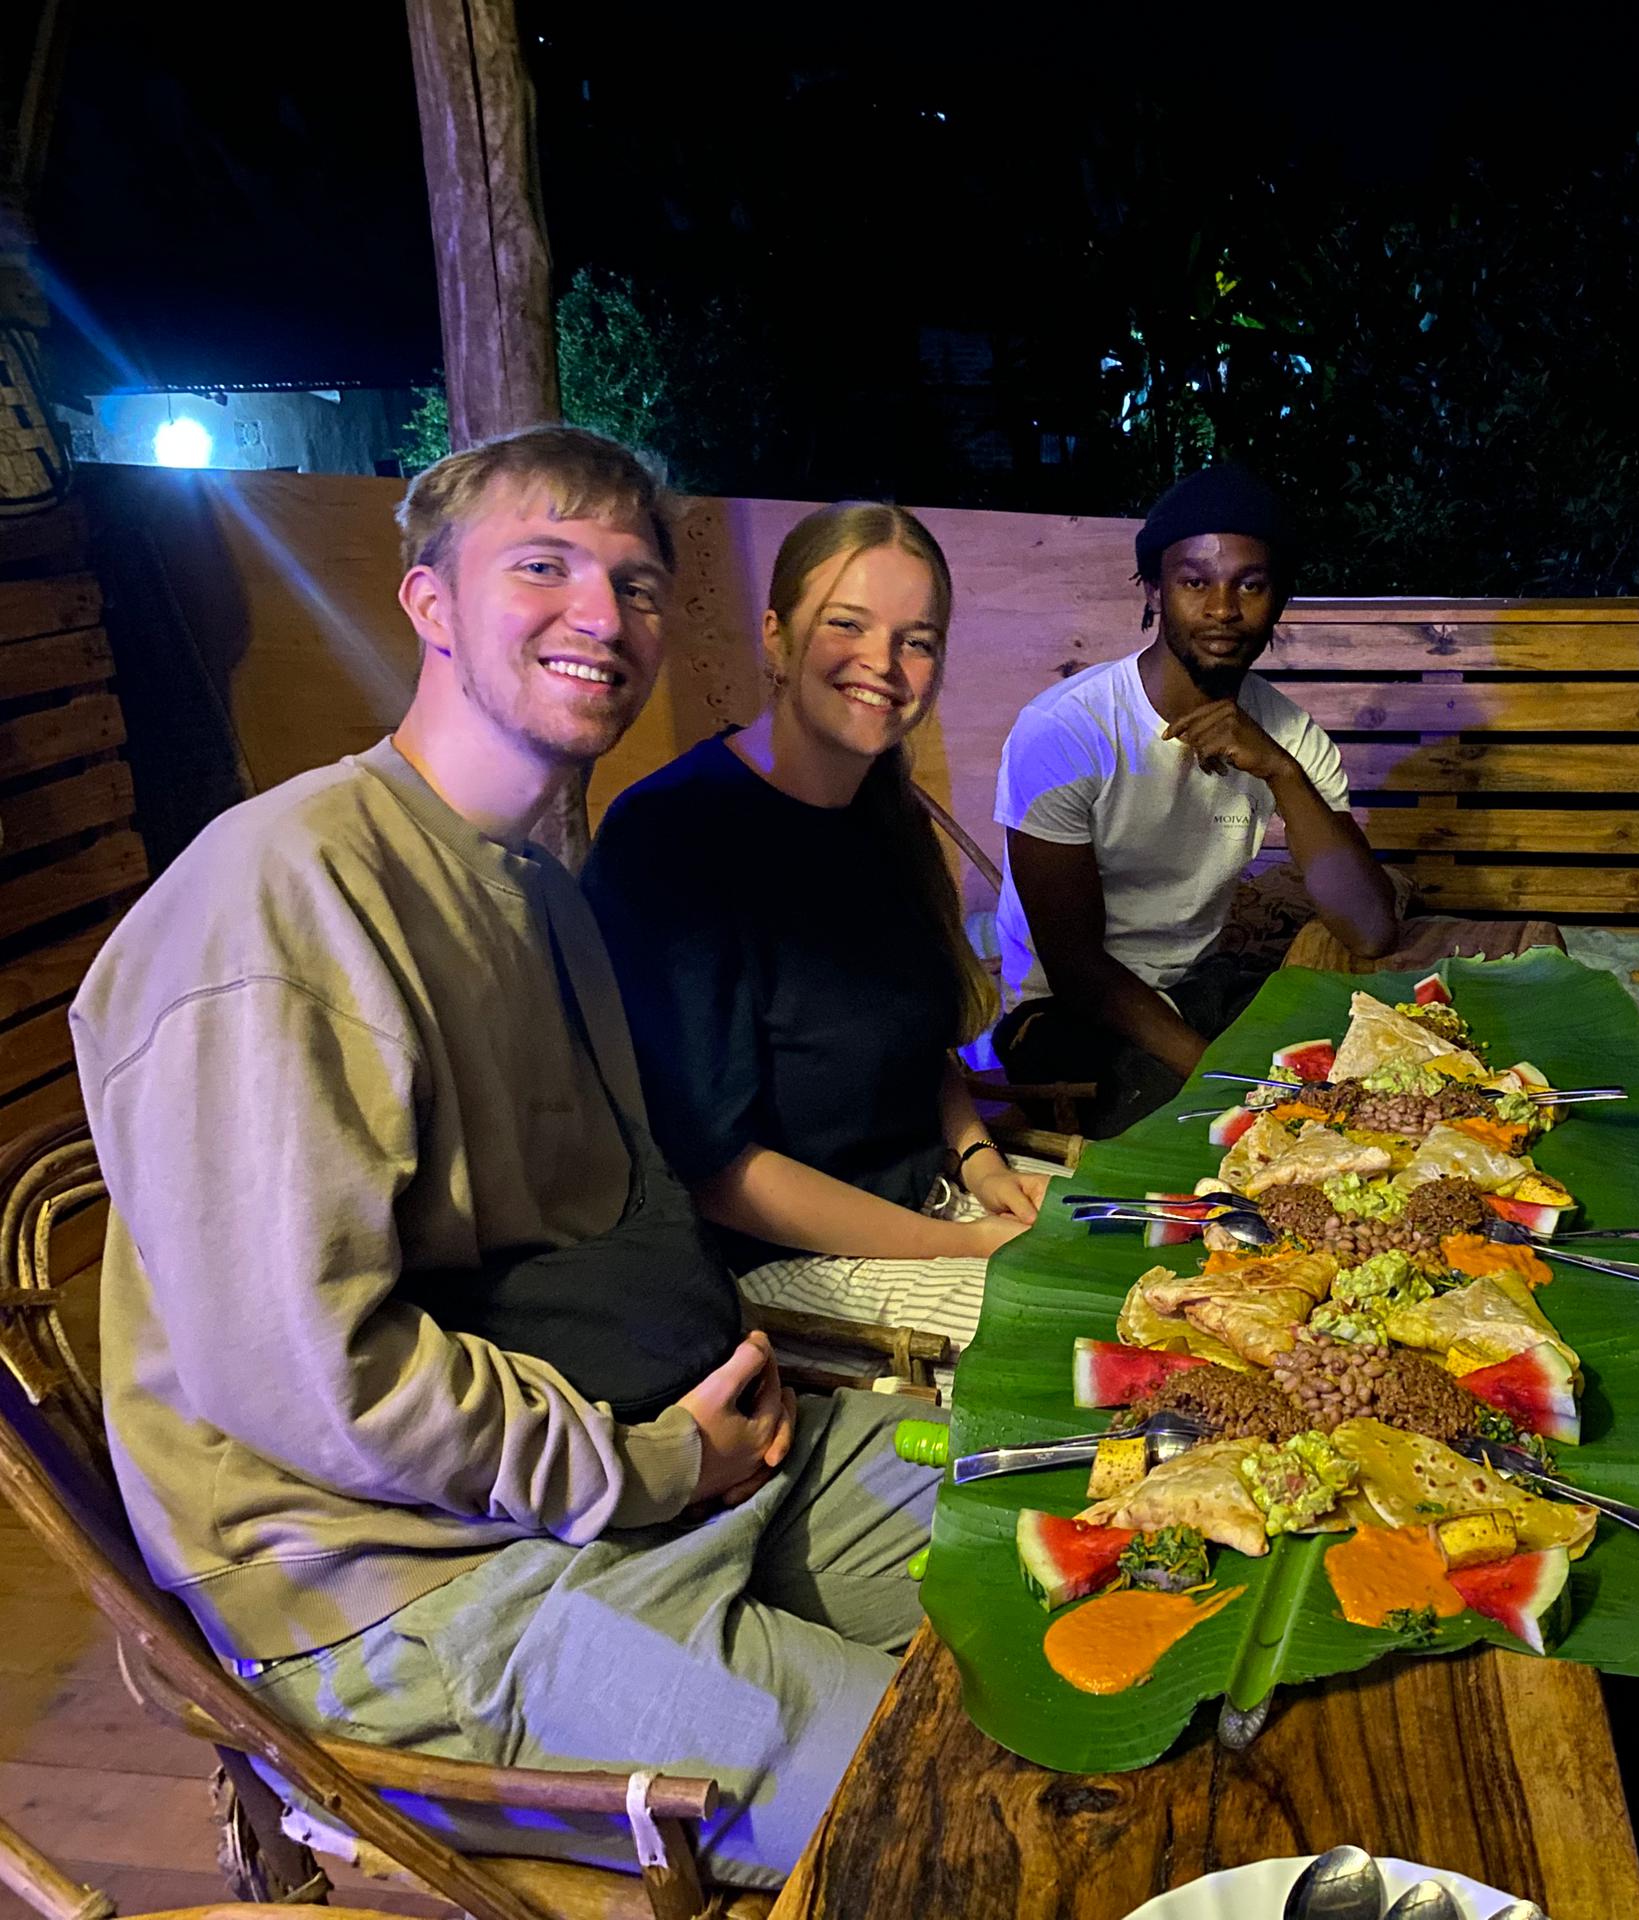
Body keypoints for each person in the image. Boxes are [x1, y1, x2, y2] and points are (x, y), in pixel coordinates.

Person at [70, 428, 941, 1888]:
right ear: (428, 603)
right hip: (416, 1588)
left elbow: (609, 1219)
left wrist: (695, 1414)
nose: (602, 616)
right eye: (544, 567)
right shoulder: (286, 900)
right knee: (932, 1816)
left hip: (664, 1463)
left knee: (1078, 1515)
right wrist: (654, 1461)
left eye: (638, 584)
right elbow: (312, 1382)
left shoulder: (539, 884)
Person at [583, 502, 1042, 1357]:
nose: (886, 663)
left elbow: (915, 1043)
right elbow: (713, 1171)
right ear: (777, 636)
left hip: (935, 1204)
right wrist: (963, 1245)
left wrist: (977, 1155)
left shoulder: (885, 811)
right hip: (777, 1270)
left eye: (918, 639)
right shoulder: (671, 835)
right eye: (847, 625)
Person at [991, 464, 1400, 1134]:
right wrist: (1221, 1074)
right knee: (1198, 1120)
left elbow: (1370, 928)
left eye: (1251, 585)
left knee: (1368, 1064)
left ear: (1279, 599)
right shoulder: (1065, 730)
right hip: (1066, 1016)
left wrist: (1282, 774)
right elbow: (1077, 969)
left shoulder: (1291, 735)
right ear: (1155, 589)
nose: (1222, 609)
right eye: (1194, 582)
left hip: (1201, 990)